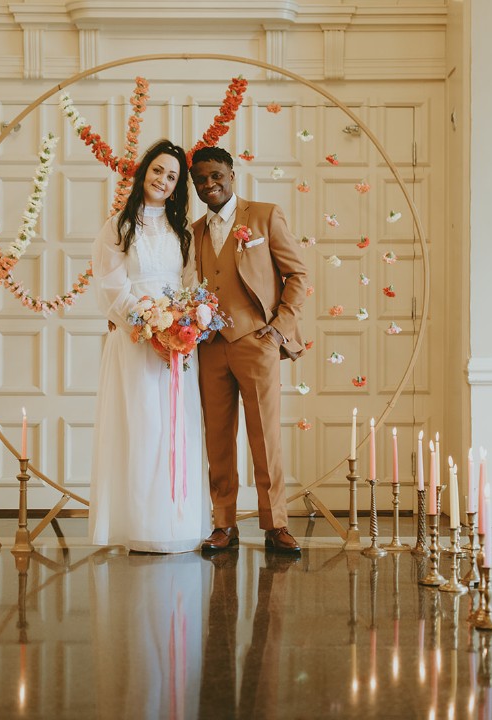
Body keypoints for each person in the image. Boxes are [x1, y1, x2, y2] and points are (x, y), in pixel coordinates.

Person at [89, 139, 208, 553]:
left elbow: (191, 283)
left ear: (178, 187)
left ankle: (174, 524)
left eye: (172, 176)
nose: (163, 180)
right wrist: (148, 327)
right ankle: (139, 526)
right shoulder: (119, 226)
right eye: (158, 170)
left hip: (176, 348)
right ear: (145, 173)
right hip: (135, 342)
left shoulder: (182, 233)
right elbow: (111, 285)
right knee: (143, 428)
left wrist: (184, 325)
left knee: (176, 429)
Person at [189, 146, 308, 554]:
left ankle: (275, 524)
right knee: (218, 440)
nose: (209, 185)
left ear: (231, 174)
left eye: (216, 176)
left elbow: (297, 274)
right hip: (209, 347)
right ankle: (223, 523)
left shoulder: (264, 215)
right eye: (201, 179)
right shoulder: (194, 231)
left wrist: (278, 331)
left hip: (257, 342)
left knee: (265, 437)